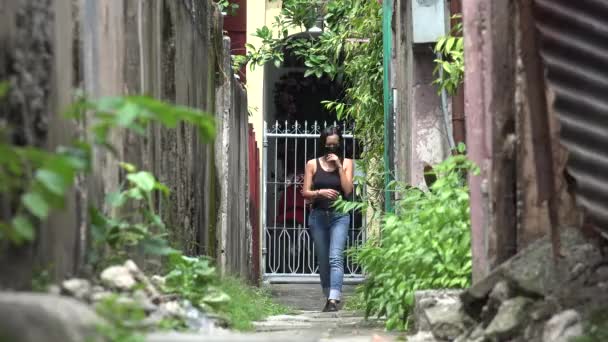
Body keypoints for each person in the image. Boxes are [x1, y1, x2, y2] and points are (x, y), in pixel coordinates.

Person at [302, 126, 354, 312]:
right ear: (323, 145)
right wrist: (320, 192)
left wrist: (339, 166)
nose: (331, 148)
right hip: (318, 217)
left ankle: (334, 299)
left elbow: (348, 191)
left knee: (335, 257)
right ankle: (328, 294)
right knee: (323, 259)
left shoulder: (347, 163)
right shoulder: (312, 164)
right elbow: (305, 193)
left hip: (339, 216)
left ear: (340, 144)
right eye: (328, 145)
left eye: (335, 145)